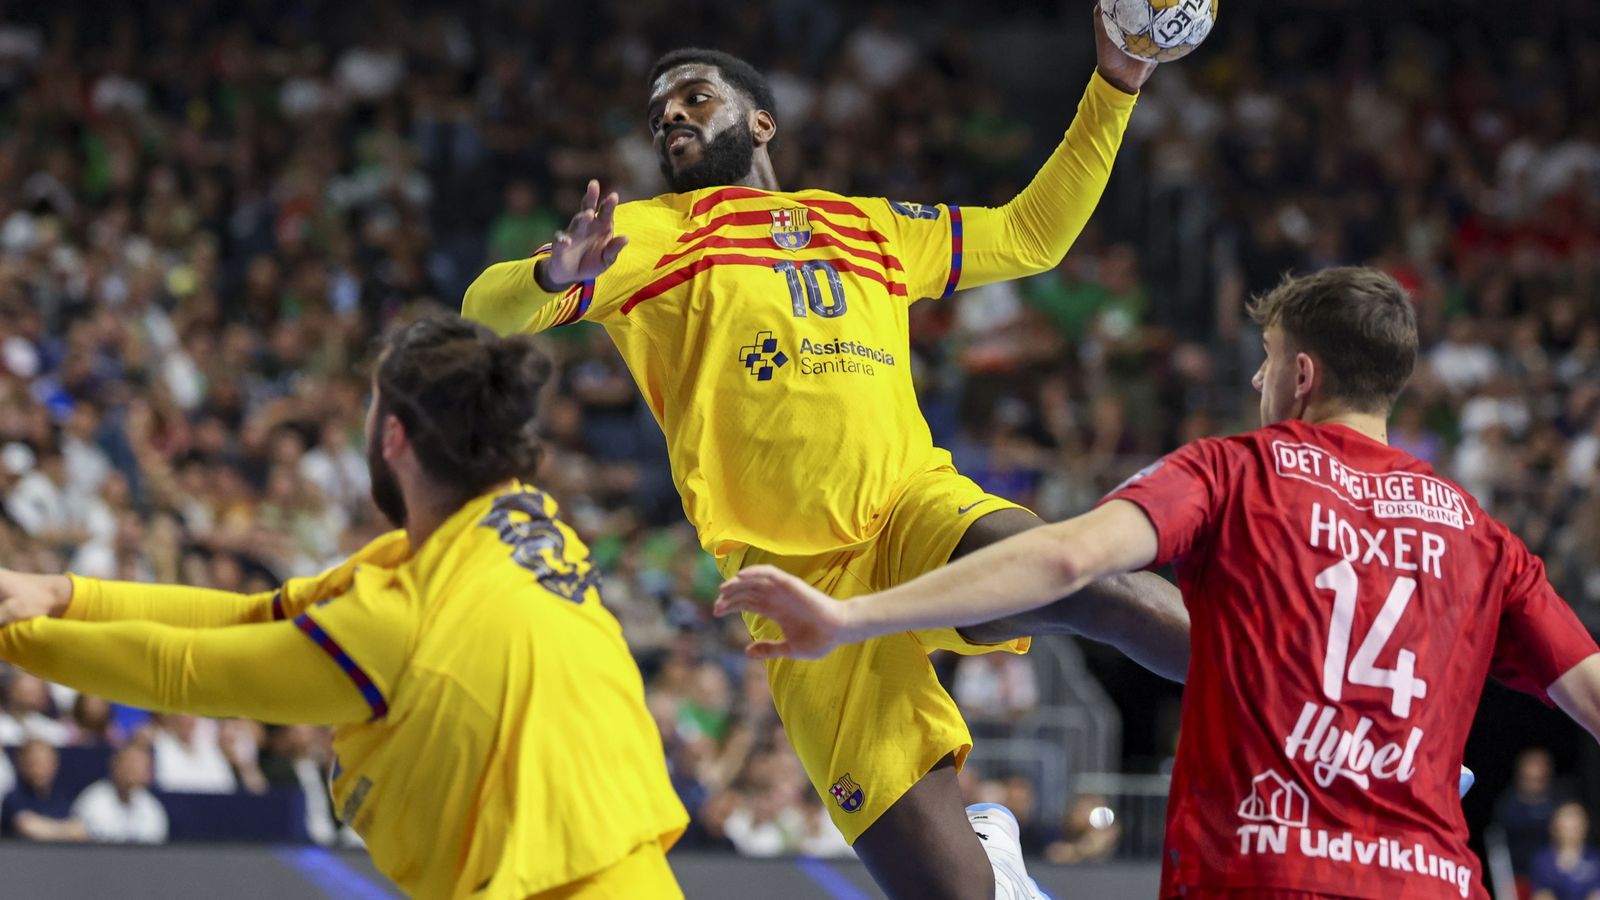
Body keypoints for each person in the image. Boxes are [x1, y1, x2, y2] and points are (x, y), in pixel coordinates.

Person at [463, 14, 1189, 900]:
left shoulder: (868, 225)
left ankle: (1301, 687)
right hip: (796, 588)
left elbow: (1031, 236)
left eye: (694, 98)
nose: (672, 119)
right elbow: (484, 312)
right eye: (659, 116)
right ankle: (989, 856)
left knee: (1086, 582)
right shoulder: (646, 236)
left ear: (760, 121)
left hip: (913, 512)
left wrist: (1116, 84)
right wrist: (550, 277)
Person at [715, 267, 1600, 899]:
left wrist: (854, 615)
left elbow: (1063, 559)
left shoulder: (1237, 470)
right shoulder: (1482, 536)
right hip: (1431, 879)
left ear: (1302, 375)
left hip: (1256, 870)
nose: (1256, 377)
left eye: (1266, 358)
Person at [0, 316, 688, 899]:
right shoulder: (529, 524)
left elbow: (184, 670)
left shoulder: (398, 621)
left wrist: (15, 639)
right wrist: (61, 594)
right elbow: (255, 616)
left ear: (390, 438)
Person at [70, 743, 167, 845]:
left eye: (142, 765)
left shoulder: (150, 805)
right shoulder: (93, 800)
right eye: (131, 764)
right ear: (116, 765)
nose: (136, 769)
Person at [1, 738, 87, 841]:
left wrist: (50, 829)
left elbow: (80, 830)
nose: (41, 768)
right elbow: (28, 827)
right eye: (35, 762)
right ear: (22, 764)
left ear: (55, 763)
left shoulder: (61, 797)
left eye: (46, 762)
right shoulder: (13, 797)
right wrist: (65, 831)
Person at [1530, 802, 1600, 900]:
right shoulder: (1543, 860)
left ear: (1585, 825)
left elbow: (1596, 894)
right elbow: (1542, 895)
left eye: (1577, 819)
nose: (1573, 822)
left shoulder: (1596, 858)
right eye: (1568, 817)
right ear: (1554, 826)